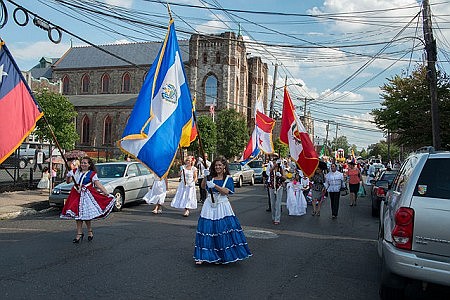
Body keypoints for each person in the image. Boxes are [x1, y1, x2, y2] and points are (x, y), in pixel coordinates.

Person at [193, 156, 252, 265]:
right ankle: (203, 256)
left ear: (224, 166)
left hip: (222, 206)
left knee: (221, 230)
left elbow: (226, 192)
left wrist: (214, 185)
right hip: (209, 204)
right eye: (216, 165)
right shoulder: (211, 177)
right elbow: (202, 187)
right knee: (207, 230)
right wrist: (205, 177)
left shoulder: (228, 178)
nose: (217, 167)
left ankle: (222, 255)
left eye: (220, 165)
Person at [60, 156, 115, 243]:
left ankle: (89, 231)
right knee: (77, 215)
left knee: (86, 215)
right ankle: (79, 233)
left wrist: (106, 193)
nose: (83, 164)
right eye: (82, 162)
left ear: (89, 165)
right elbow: (68, 181)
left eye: (85, 163)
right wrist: (68, 175)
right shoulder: (75, 171)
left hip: (87, 195)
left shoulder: (92, 174)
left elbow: (98, 184)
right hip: (76, 194)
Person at [268, 159, 286, 225]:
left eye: (276, 162)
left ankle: (277, 219)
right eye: (274, 162)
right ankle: (273, 217)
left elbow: (285, 177)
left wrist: (280, 176)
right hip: (272, 186)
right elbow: (268, 172)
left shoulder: (281, 169)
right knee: (272, 203)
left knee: (278, 203)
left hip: (279, 187)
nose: (275, 163)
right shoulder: (270, 168)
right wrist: (273, 167)